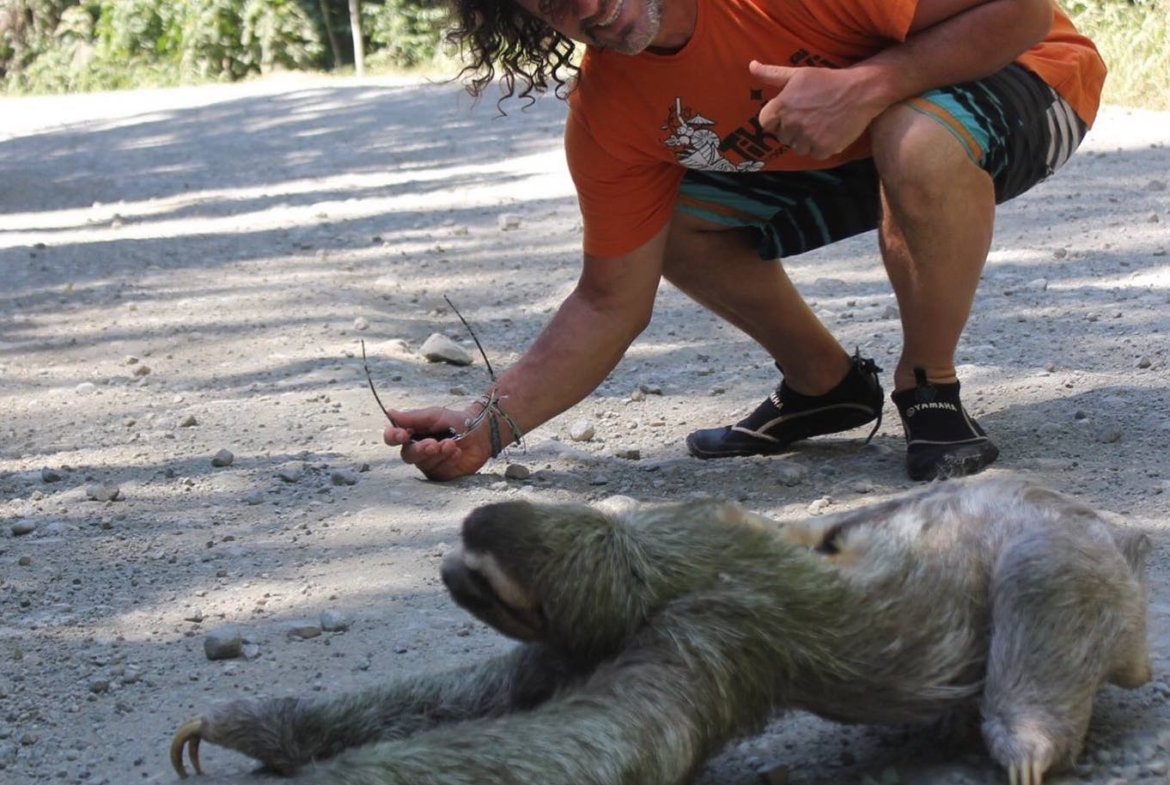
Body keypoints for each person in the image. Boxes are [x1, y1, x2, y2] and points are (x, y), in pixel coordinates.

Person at [384, 0, 1105, 482]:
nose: (583, 4)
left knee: (913, 138)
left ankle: (928, 384)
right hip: (857, 136)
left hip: (1028, 74)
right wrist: (487, 424)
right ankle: (824, 386)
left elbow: (1020, 10)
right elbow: (608, 301)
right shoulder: (609, 110)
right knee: (663, 222)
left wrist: (871, 82)